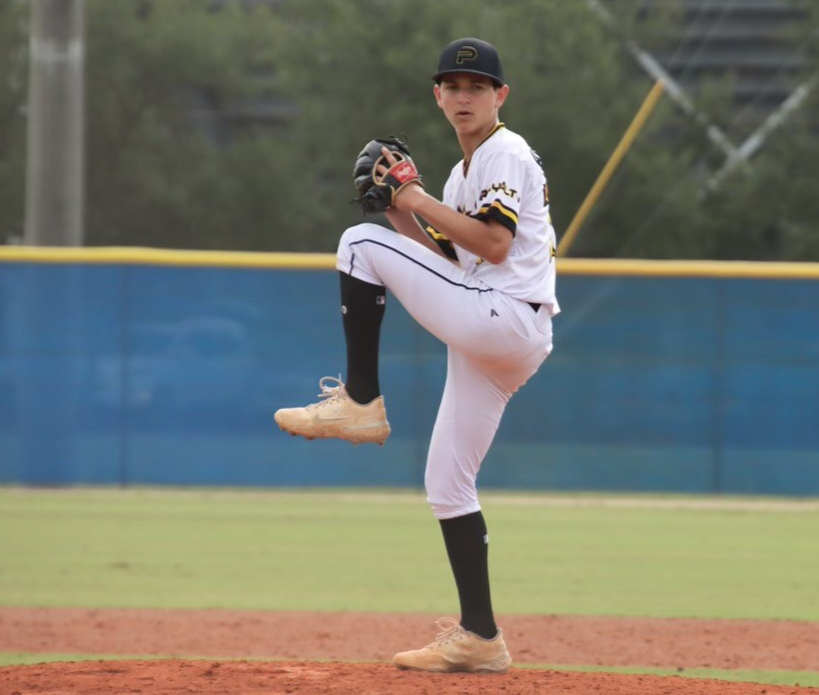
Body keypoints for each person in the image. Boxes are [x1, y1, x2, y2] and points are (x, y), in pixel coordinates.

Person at [275, 37, 559, 674]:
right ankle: (481, 636)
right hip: (498, 331)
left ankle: (360, 400)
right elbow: (451, 259)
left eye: (477, 87)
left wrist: (412, 198)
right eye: (452, 86)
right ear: (437, 95)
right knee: (447, 484)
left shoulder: (504, 150)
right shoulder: (463, 174)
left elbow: (493, 245)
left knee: (357, 245)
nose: (464, 96)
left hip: (503, 315)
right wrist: (397, 210)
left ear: (500, 95)